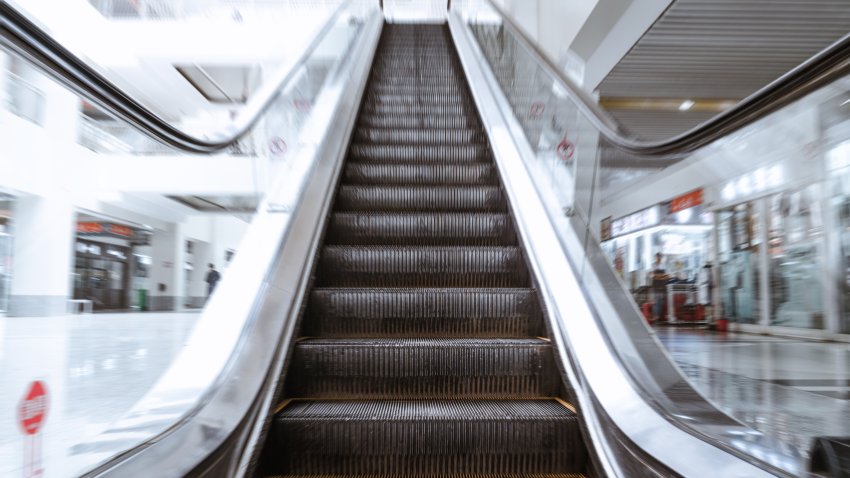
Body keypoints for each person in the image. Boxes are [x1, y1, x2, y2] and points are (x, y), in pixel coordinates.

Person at [650, 253, 669, 321]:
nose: (659, 258)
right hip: (656, 285)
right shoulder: (653, 265)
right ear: (656, 257)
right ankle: (656, 316)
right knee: (656, 300)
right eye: (658, 256)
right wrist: (661, 276)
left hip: (662, 285)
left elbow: (666, 276)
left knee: (661, 301)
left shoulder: (663, 265)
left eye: (660, 256)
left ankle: (659, 316)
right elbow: (653, 275)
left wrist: (660, 277)